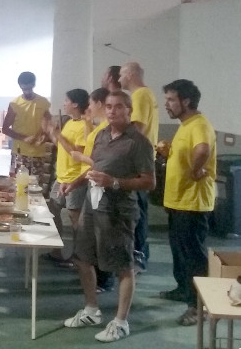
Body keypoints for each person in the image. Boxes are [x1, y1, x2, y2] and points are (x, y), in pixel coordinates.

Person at [62, 91, 155, 343]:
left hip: (118, 211)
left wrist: (114, 182)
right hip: (93, 205)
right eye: (109, 107)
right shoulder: (102, 135)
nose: (113, 111)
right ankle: (92, 310)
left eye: (119, 107)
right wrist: (75, 182)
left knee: (123, 266)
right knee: (81, 257)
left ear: (129, 110)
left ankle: (121, 321)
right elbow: (95, 167)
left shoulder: (138, 142)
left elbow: (149, 181)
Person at [159, 79, 216, 326]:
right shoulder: (186, 125)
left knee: (193, 255)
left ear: (187, 101)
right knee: (180, 251)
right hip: (179, 200)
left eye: (171, 100)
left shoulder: (199, 124)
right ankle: (184, 289)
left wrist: (195, 171)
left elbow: (202, 149)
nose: (167, 105)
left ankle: (198, 306)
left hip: (192, 203)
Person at [69, 87, 114, 293]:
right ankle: (96, 275)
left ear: (99, 104)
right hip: (92, 185)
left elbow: (98, 160)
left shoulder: (108, 129)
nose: (89, 107)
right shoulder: (99, 127)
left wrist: (80, 159)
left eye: (92, 103)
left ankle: (104, 279)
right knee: (93, 233)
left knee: (102, 235)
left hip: (103, 189)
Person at [119, 62, 159, 272]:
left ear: (131, 74)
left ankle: (138, 258)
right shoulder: (145, 95)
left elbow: (138, 128)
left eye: (122, 74)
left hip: (138, 162)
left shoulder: (141, 95)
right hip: (138, 160)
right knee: (137, 212)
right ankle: (137, 255)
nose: (119, 79)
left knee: (138, 213)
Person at [46, 89, 89, 262]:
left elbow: (77, 153)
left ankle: (79, 256)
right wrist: (51, 132)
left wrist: (57, 135)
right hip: (61, 177)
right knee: (52, 210)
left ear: (75, 104)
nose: (64, 104)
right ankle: (56, 251)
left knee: (74, 217)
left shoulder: (85, 126)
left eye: (66, 100)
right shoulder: (70, 122)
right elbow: (62, 145)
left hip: (75, 179)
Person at [2, 71, 51, 177]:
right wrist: (24, 138)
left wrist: (44, 136)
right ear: (20, 86)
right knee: (17, 185)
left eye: (29, 88)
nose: (27, 92)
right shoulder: (15, 104)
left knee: (36, 186)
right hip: (19, 153)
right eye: (24, 89)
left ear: (34, 84)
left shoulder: (43, 102)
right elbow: (5, 129)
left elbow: (48, 125)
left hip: (38, 153)